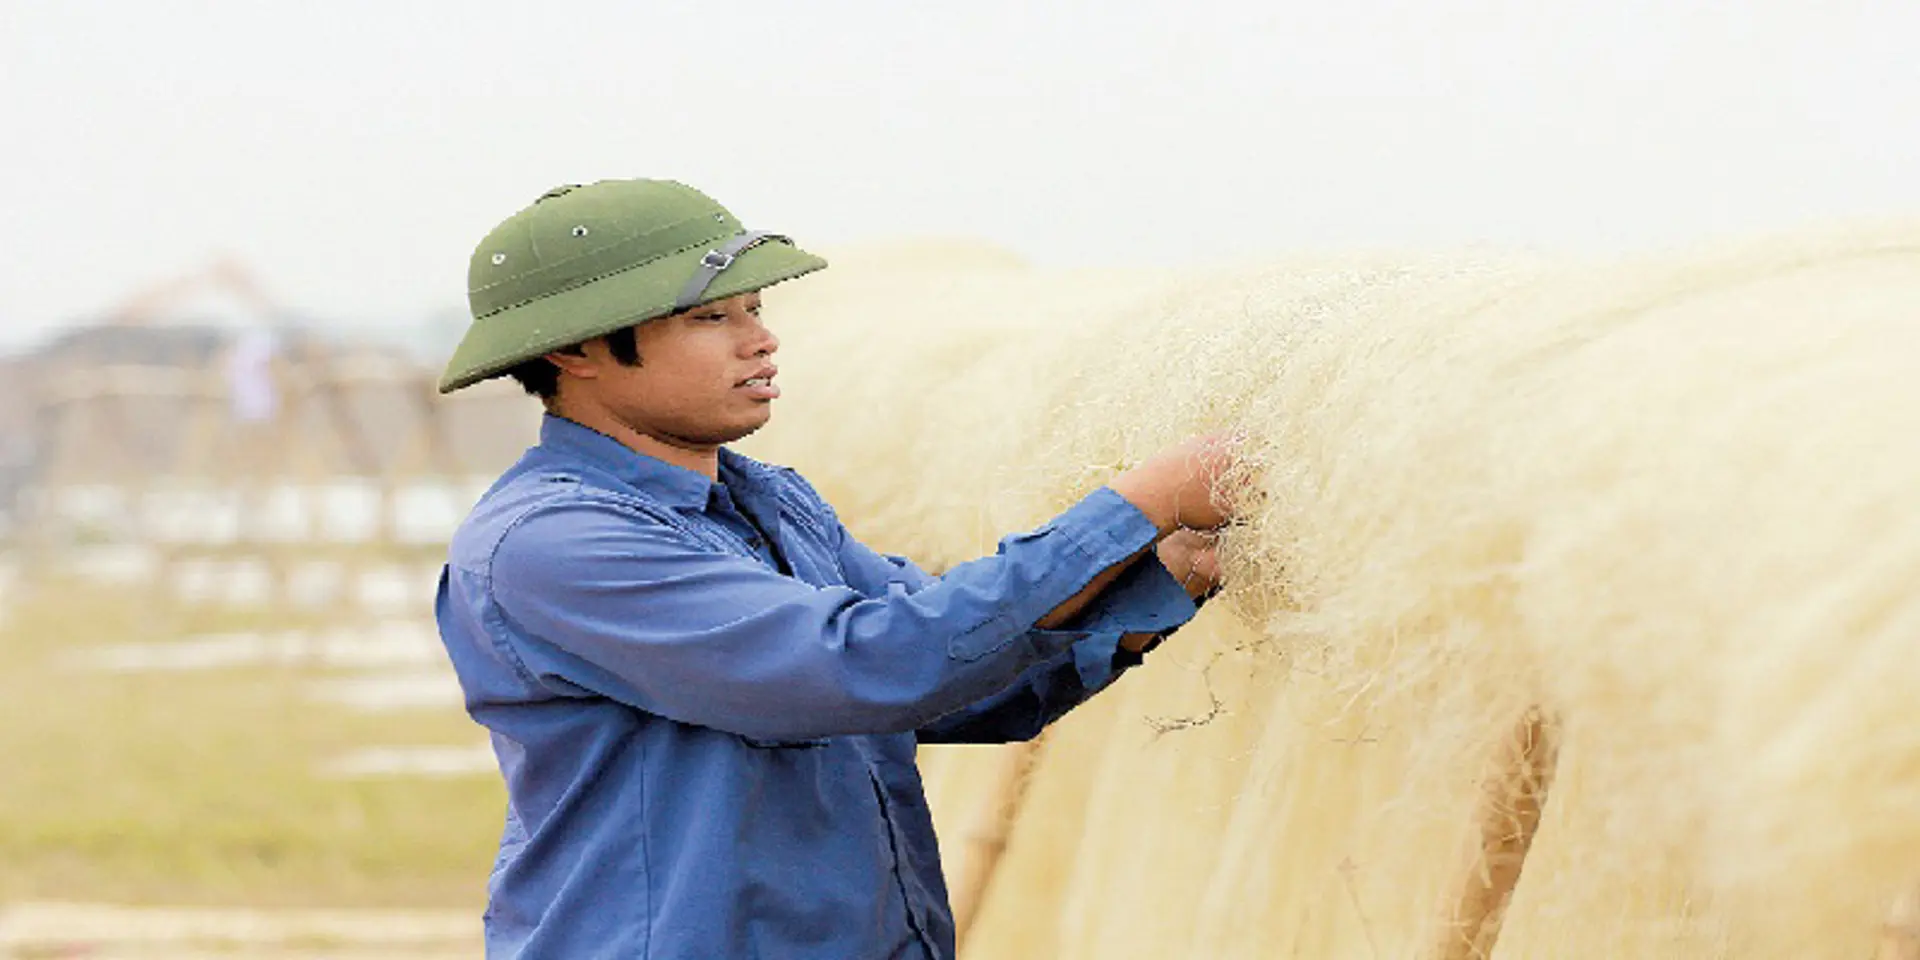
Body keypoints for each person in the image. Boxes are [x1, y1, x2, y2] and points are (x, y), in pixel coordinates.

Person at [433, 178, 1241, 959]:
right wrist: (1139, 504)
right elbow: (869, 664)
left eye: (756, 309)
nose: (760, 339)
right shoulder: (554, 544)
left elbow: (968, 672)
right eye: (713, 315)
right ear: (577, 351)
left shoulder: (770, 501)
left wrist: (1163, 577)